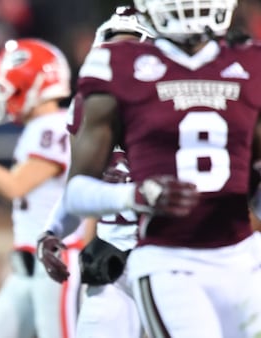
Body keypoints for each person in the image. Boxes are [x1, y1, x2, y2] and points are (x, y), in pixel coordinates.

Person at [59, 0, 261, 337]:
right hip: (169, 260)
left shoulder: (250, 62)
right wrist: (137, 195)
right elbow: (77, 193)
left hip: (241, 255)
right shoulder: (119, 66)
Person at [37, 7, 156, 338]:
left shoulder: (175, 103)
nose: (118, 59)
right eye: (112, 49)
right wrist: (53, 231)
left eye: (129, 48)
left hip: (168, 254)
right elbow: (80, 185)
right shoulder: (86, 105)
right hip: (112, 258)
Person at [0, 38, 86, 338]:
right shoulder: (40, 128)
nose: (2, 98)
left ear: (34, 84)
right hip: (30, 266)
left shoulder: (55, 126)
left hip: (55, 262)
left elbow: (15, 186)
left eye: (7, 89)